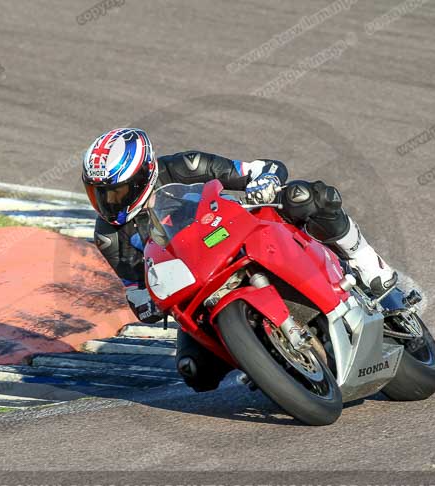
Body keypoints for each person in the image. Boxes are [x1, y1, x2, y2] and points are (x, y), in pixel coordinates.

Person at [82, 127, 397, 392]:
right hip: (199, 285)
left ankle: (366, 263)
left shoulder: (185, 166)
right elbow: (136, 284)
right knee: (195, 372)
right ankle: (264, 360)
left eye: (117, 191)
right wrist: (146, 299)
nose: (109, 203)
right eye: (98, 193)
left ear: (144, 173)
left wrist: (261, 182)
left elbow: (257, 170)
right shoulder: (109, 236)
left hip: (240, 233)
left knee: (307, 196)